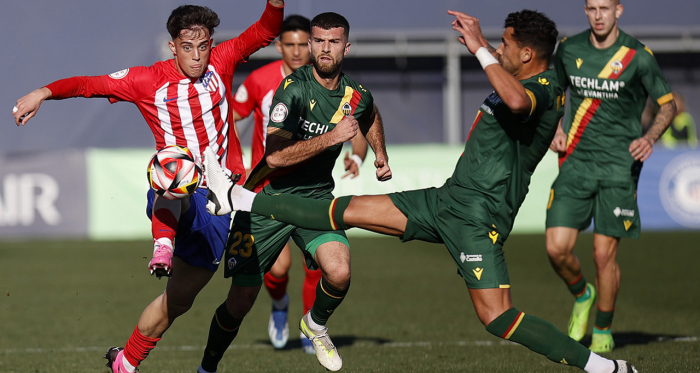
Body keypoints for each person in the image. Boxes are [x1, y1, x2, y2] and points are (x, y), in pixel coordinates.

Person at [203, 8, 638, 373]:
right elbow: (285, 152)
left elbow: (521, 103)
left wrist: (479, 48)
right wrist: (379, 156)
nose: (498, 49)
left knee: (497, 315)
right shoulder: (293, 86)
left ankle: (605, 367)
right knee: (346, 211)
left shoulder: (540, 89)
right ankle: (249, 208)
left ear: (526, 53)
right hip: (445, 200)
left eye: (504, 45)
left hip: (477, 220)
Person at [12, 2, 284, 372]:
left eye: (202, 46)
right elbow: (90, 85)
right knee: (171, 174)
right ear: (172, 46)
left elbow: (267, 30)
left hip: (224, 198)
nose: (196, 55)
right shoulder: (147, 80)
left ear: (211, 43)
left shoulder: (224, 60)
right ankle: (163, 243)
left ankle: (124, 363)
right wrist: (43, 92)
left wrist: (277, 4)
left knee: (179, 301)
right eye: (187, 47)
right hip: (181, 189)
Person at [197, 12, 390, 373]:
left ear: (346, 47)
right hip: (265, 199)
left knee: (339, 272)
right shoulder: (292, 88)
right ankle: (207, 367)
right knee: (239, 302)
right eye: (318, 41)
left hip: (315, 199)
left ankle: (314, 326)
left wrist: (378, 154)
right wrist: (334, 137)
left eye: (332, 42)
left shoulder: (355, 93)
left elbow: (370, 112)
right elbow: (276, 156)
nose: (322, 48)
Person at [230, 14, 368, 353]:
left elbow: (360, 126)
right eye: (288, 45)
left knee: (323, 263)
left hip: (314, 190)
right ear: (280, 46)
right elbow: (230, 118)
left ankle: (311, 325)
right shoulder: (262, 81)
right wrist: (231, 161)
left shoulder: (334, 87)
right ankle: (279, 306)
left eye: (300, 45)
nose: (296, 52)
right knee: (277, 268)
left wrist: (360, 156)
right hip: (268, 186)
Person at [546, 0, 676, 354]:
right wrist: (556, 127)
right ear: (585, 10)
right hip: (574, 163)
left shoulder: (638, 56)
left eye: (605, 7)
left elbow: (667, 104)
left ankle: (603, 327)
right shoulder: (569, 49)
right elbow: (553, 94)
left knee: (603, 256)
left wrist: (649, 138)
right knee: (556, 248)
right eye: (591, 8)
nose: (598, 15)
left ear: (619, 10)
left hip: (619, 167)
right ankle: (582, 294)